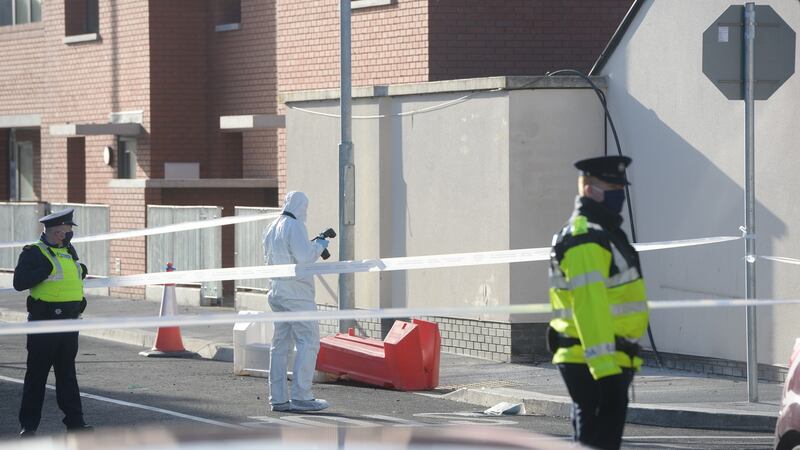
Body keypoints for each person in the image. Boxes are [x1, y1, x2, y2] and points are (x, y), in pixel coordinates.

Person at [547, 155, 649, 450]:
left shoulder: (601, 233)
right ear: (590, 190)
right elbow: (589, 306)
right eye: (613, 186)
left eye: (621, 186)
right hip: (595, 363)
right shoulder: (587, 238)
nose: (620, 192)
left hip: (599, 359)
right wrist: (605, 372)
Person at [13, 208, 93, 437]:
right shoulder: (34, 252)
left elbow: (69, 279)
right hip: (44, 323)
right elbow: (19, 282)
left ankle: (76, 424)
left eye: (69, 230)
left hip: (69, 322)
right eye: (66, 229)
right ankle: (28, 427)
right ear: (55, 230)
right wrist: (41, 271)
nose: (69, 234)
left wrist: (81, 272)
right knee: (37, 376)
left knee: (67, 375)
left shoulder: (69, 251)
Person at [263, 191, 330, 412]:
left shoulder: (272, 227)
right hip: (297, 294)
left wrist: (312, 246)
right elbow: (304, 258)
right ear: (301, 206)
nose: (306, 212)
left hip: (277, 291)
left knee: (280, 345)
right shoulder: (295, 226)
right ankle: (302, 396)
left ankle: (278, 398)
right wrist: (320, 245)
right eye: (306, 208)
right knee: (308, 342)